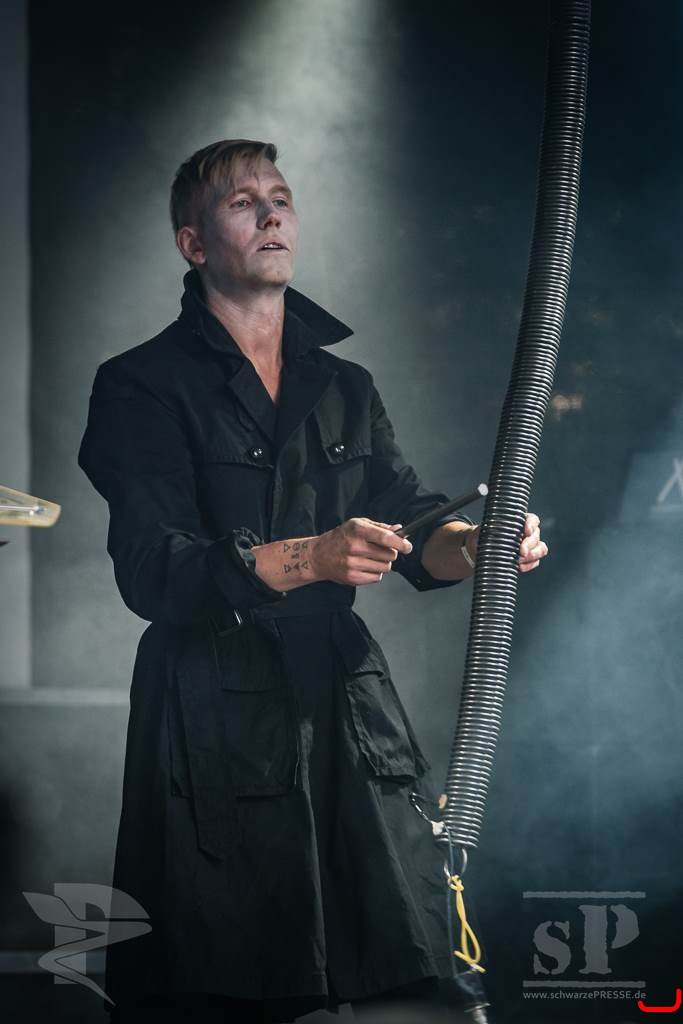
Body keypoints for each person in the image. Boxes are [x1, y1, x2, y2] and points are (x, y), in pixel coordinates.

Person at [77, 139, 548, 1024]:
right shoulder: (140, 384)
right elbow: (154, 572)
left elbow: (416, 525)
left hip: (341, 704)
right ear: (192, 243)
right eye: (242, 202)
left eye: (281, 197)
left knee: (403, 976)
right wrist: (312, 558)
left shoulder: (343, 385)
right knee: (223, 987)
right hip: (211, 711)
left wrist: (478, 544)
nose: (270, 214)